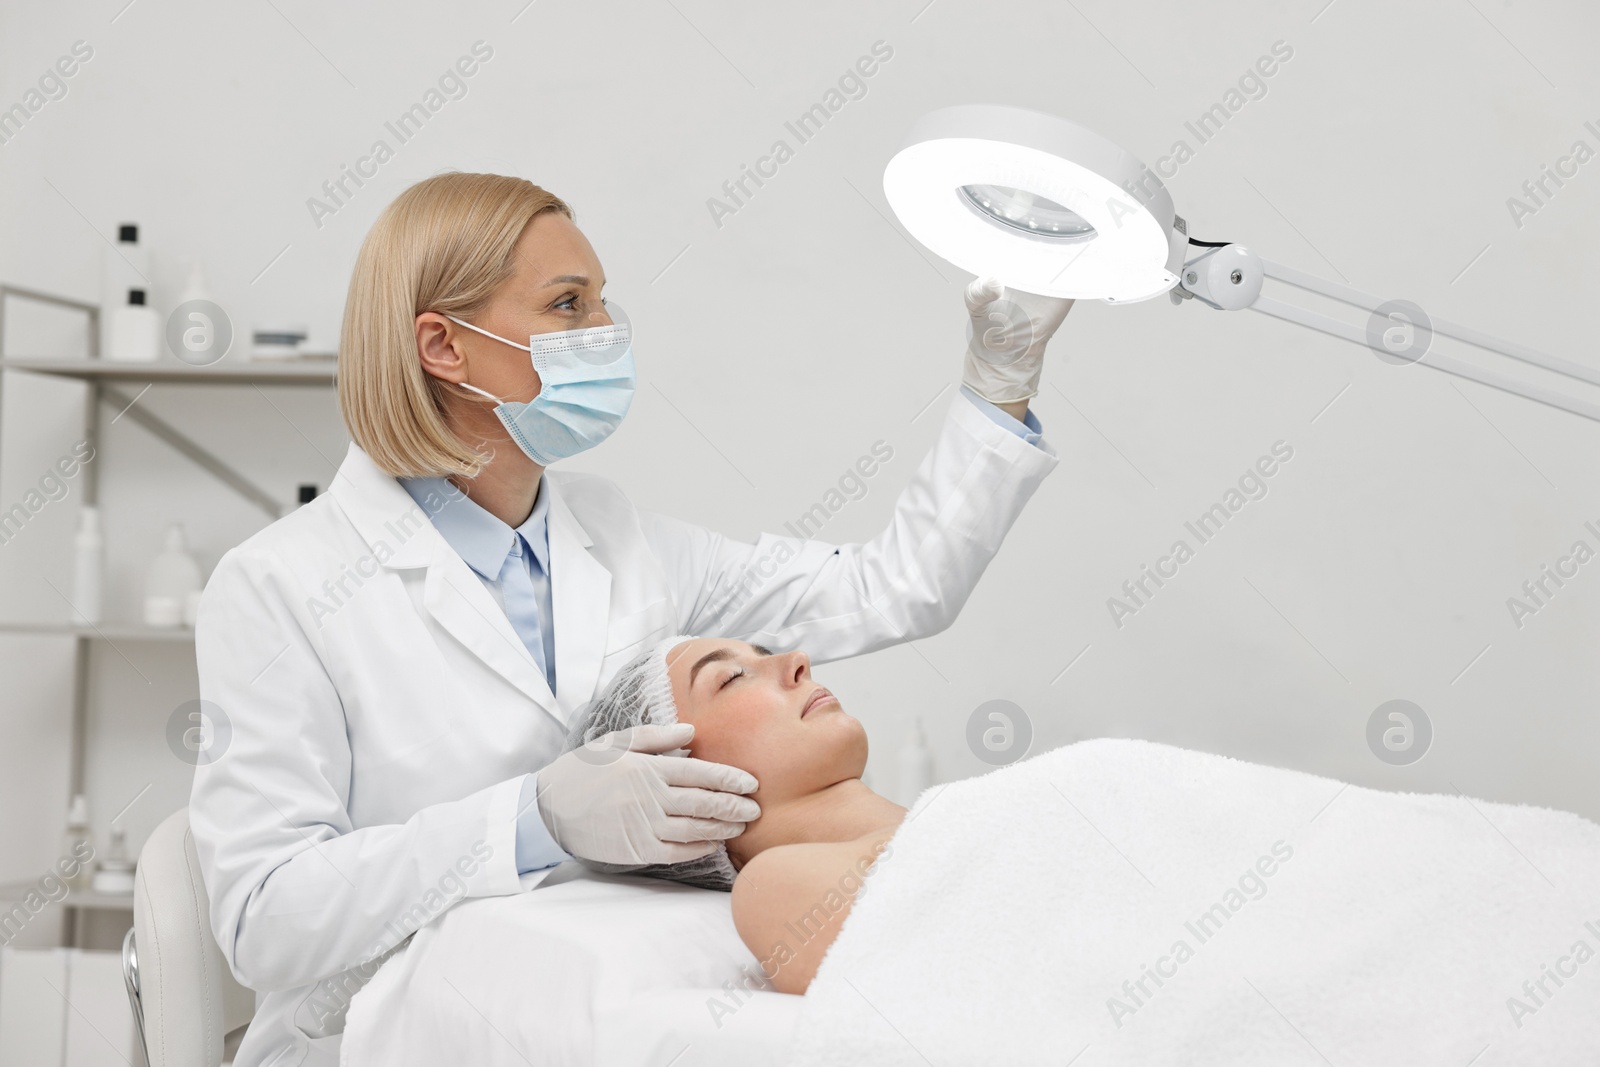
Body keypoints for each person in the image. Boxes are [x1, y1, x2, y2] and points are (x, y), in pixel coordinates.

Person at [189, 171, 1071, 1066]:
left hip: (603, 1007)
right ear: (444, 346)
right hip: (385, 1033)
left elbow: (892, 586)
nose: (603, 333)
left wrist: (997, 387)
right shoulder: (282, 586)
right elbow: (266, 916)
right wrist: (532, 818)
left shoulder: (621, 538)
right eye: (568, 305)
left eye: (604, 303)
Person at [567, 633, 906, 994]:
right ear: (681, 791)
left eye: (766, 654)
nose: (797, 659)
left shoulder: (951, 814)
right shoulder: (777, 890)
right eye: (732, 677)